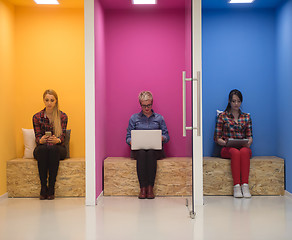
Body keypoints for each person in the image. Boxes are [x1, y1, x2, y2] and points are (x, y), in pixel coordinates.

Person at [126, 91, 169, 199]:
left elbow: (166, 136)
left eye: (149, 105)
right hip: (139, 150)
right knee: (141, 153)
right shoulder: (134, 118)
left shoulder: (159, 118)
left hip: (155, 150)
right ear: (140, 104)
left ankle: (150, 188)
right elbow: (128, 137)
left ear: (152, 103)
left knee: (150, 153)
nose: (146, 108)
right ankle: (143, 188)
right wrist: (132, 141)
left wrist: (161, 138)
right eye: (144, 105)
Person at [214, 89, 253, 198]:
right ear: (229, 102)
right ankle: (236, 186)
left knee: (244, 151)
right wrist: (226, 143)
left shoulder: (246, 117)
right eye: (234, 101)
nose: (236, 104)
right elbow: (217, 138)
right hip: (227, 148)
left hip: (243, 146)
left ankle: (245, 186)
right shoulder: (222, 116)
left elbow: (250, 136)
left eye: (238, 101)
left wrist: (248, 142)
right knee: (235, 152)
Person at [33, 89, 68, 200]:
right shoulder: (37, 117)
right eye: (47, 100)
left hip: (58, 148)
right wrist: (41, 140)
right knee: (44, 150)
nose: (49, 103)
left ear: (56, 101)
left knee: (53, 150)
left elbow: (63, 137)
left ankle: (51, 187)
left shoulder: (62, 116)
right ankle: (43, 187)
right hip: (42, 147)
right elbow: (37, 136)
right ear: (43, 100)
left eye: (52, 100)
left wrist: (57, 140)